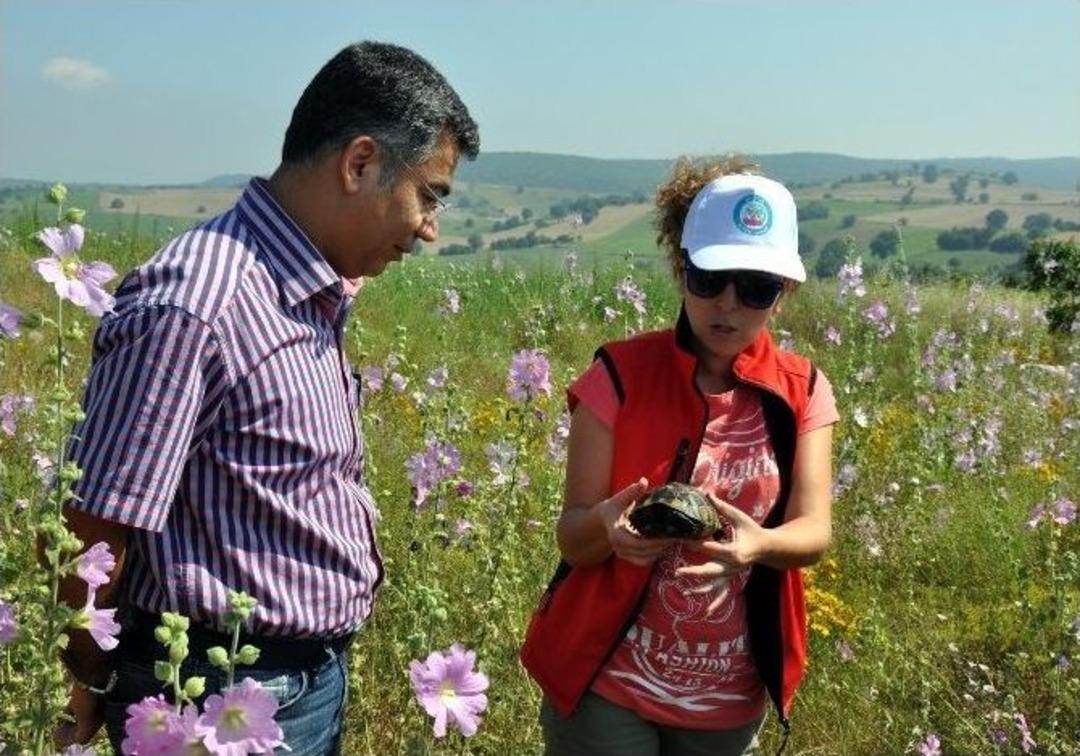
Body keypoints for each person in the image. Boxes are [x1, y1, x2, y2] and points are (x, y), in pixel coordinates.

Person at [54, 41, 479, 753]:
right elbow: (89, 531)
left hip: (297, 680)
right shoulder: (200, 303)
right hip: (211, 696)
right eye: (429, 194)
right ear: (360, 163)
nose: (429, 228)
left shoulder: (306, 289)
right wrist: (95, 680)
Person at [521, 157, 839, 756]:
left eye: (756, 287)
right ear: (681, 269)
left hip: (726, 702)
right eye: (709, 279)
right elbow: (573, 539)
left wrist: (759, 546)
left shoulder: (804, 391)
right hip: (605, 684)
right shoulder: (616, 376)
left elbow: (814, 533)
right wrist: (607, 530)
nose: (728, 305)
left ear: (784, 293)